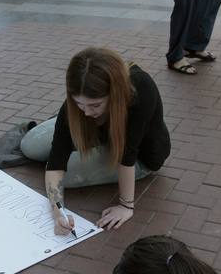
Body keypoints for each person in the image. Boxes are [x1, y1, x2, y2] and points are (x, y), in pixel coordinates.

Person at [20, 47, 171, 231]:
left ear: (114, 94)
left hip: (141, 156)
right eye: (79, 103)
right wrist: (58, 212)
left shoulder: (140, 90)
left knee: (66, 178)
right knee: (30, 146)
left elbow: (127, 155)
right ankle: (75, 133)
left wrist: (126, 206)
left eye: (95, 105)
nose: (86, 112)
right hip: (103, 136)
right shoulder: (82, 103)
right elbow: (56, 162)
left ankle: (83, 142)